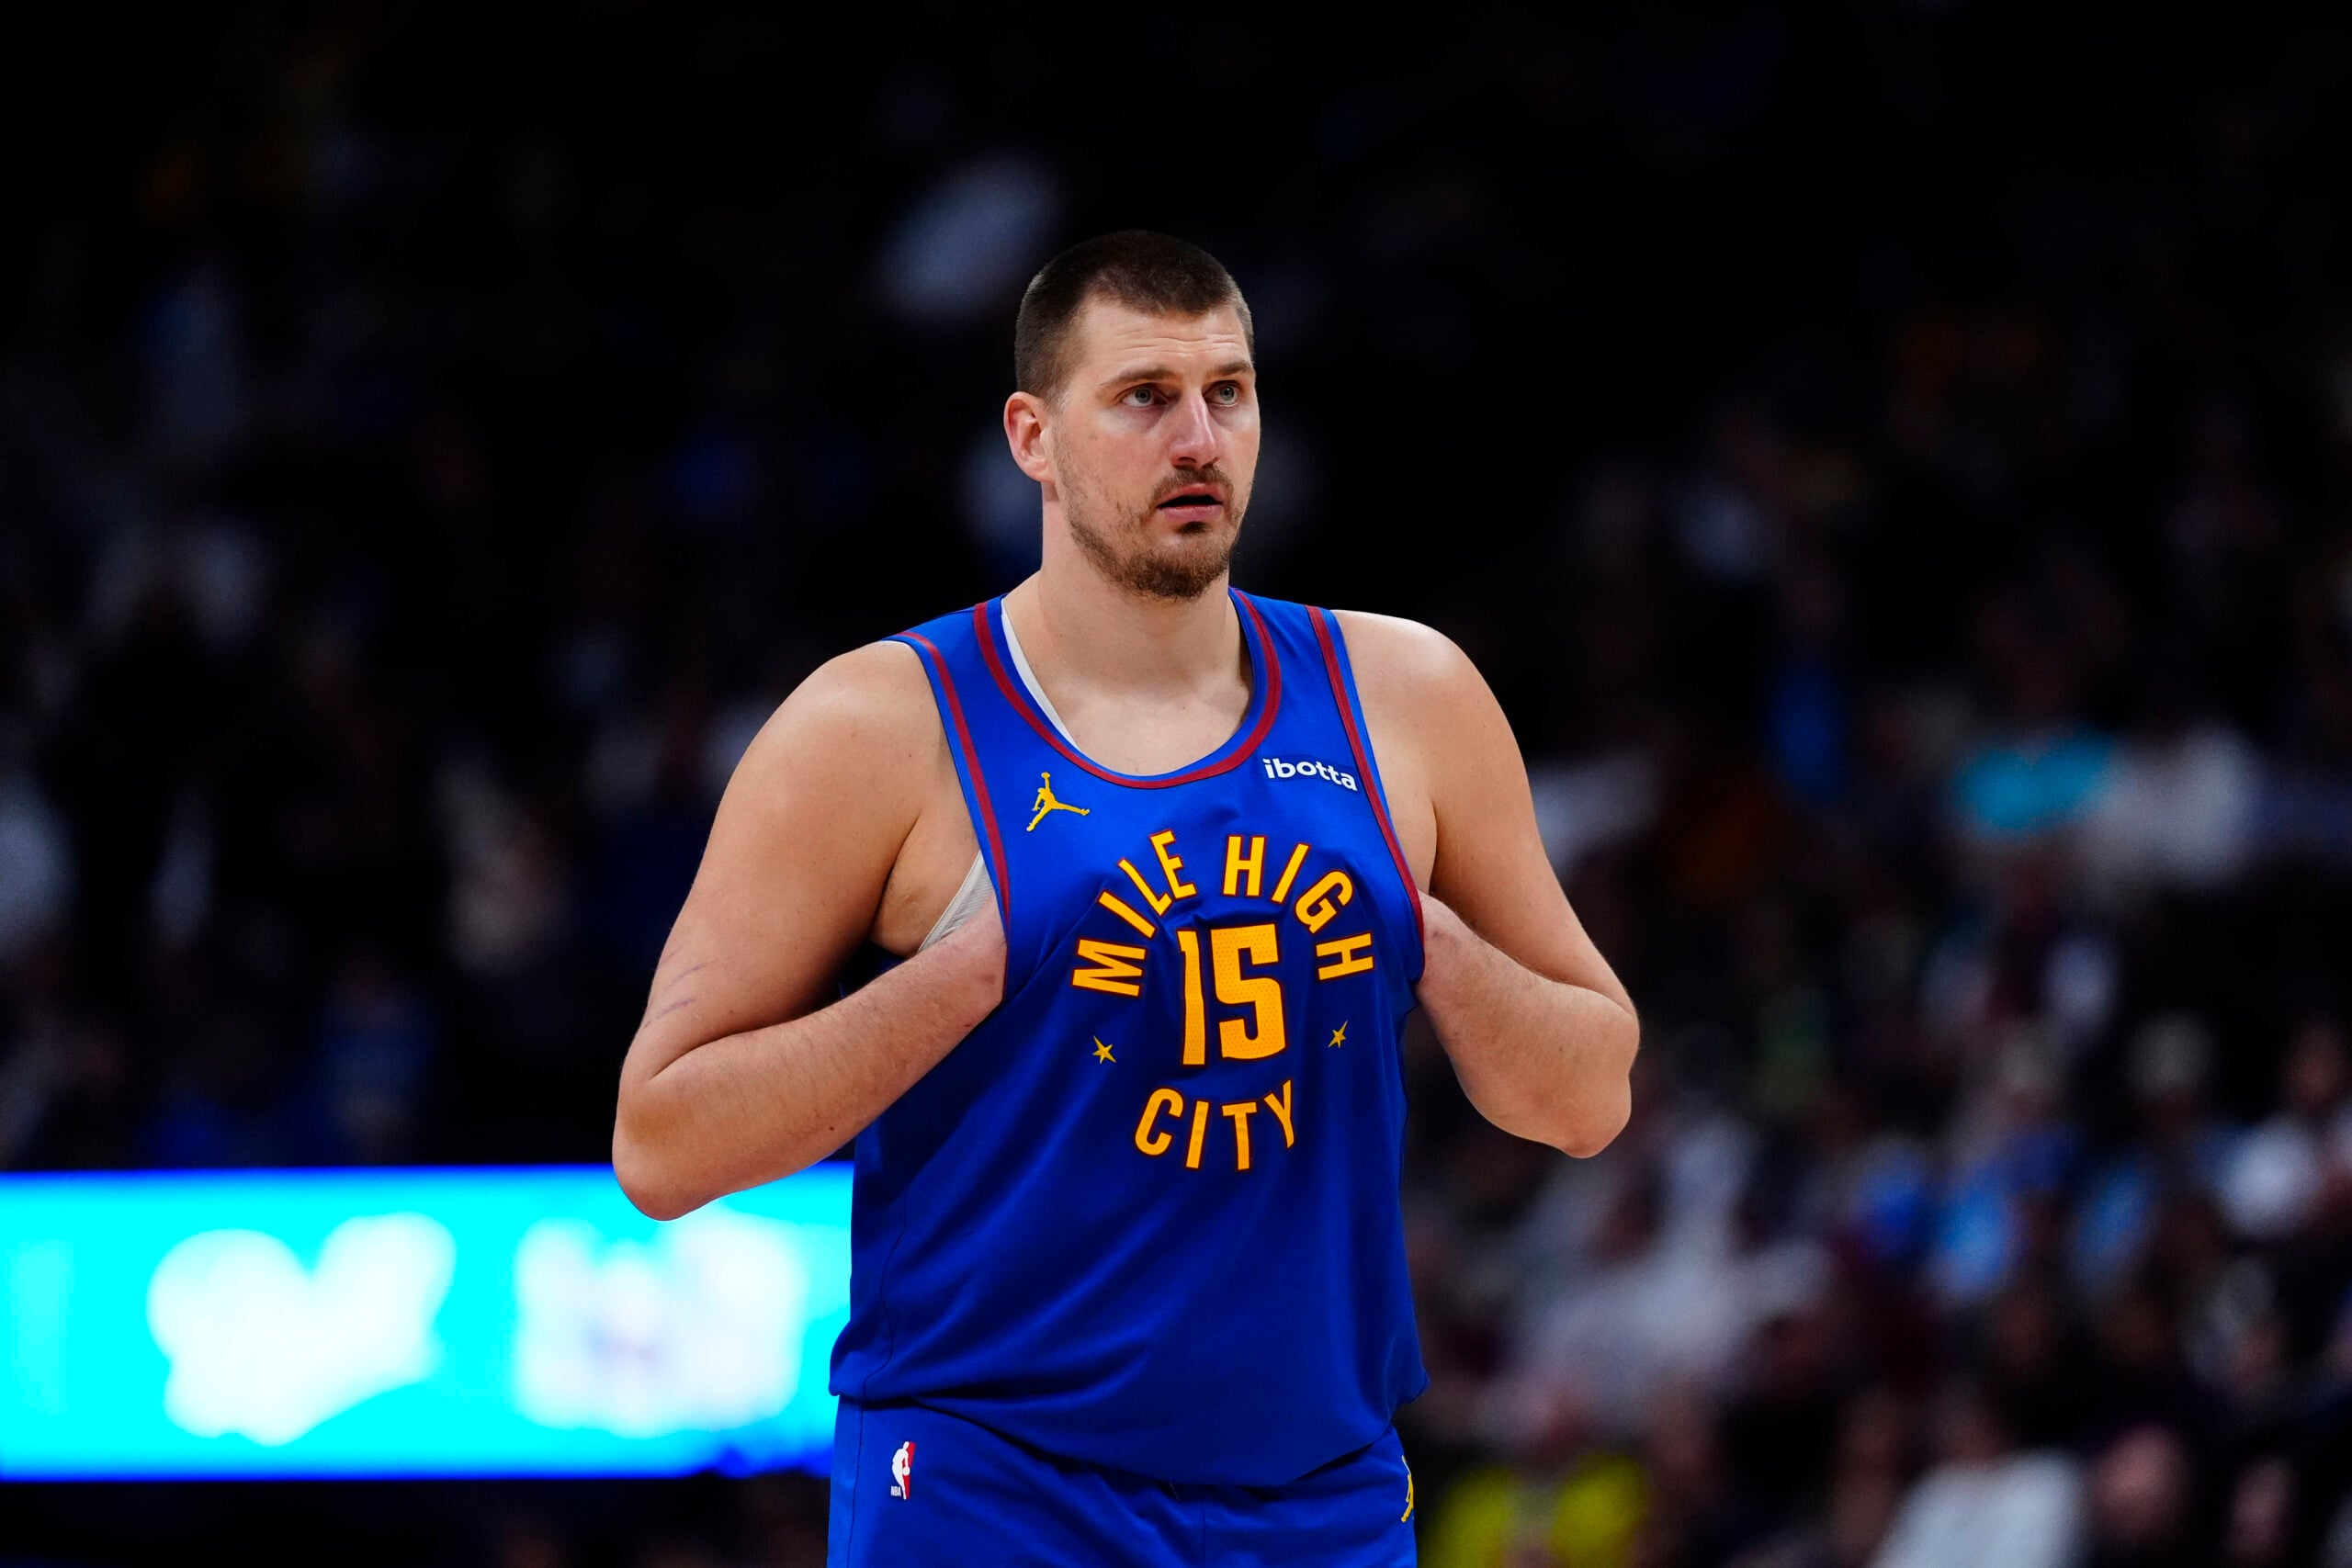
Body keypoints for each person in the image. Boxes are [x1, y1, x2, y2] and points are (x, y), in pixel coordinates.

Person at [612, 231, 1640, 1566]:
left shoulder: (1407, 695)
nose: (1200, 437)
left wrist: (1430, 934)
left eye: (1231, 391)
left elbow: (1589, 1096)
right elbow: (664, 1143)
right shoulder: (876, 725)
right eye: (1145, 397)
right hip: (994, 1484)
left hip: (1317, 1496)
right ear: (1032, 437)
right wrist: (964, 973)